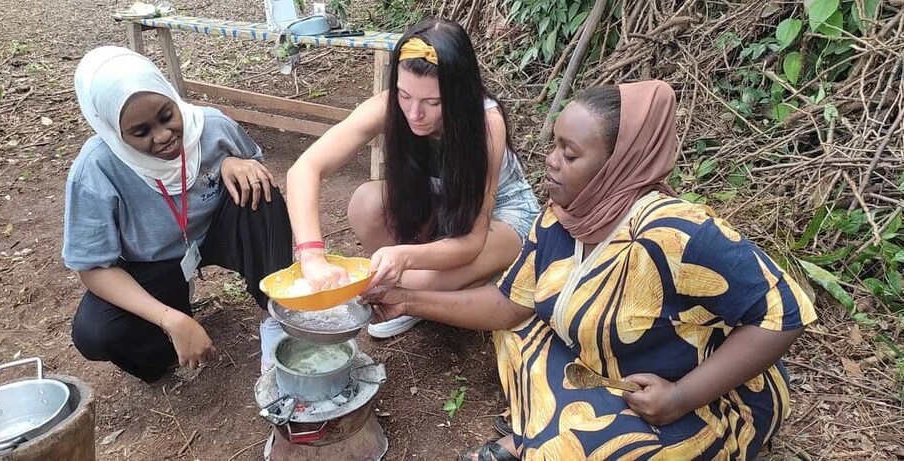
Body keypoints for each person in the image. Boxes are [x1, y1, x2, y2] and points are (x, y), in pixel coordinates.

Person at [364, 80, 817, 460]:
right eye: (554, 146)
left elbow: (784, 313)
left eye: (570, 153)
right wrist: (406, 300)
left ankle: (539, 439)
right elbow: (508, 306)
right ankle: (539, 434)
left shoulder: (677, 231)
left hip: (699, 396)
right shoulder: (561, 217)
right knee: (515, 334)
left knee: (578, 452)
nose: (551, 160)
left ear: (618, 165)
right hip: (607, 366)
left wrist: (681, 397)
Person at [285, 18, 540, 338]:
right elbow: (305, 168)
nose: (414, 113)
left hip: (500, 217)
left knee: (419, 279)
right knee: (365, 203)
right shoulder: (389, 105)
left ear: (459, 94)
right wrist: (311, 255)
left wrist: (404, 256)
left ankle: (426, 293)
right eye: (405, 95)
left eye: (432, 102)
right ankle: (435, 284)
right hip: (441, 205)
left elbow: (472, 242)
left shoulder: (487, 124)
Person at [64, 46, 292, 383]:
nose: (163, 136)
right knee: (96, 332)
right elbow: (94, 268)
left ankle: (274, 316)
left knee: (260, 188)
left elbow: (254, 167)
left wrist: (232, 162)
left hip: (215, 232)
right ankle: (167, 342)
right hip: (151, 263)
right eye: (140, 132)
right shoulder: (95, 169)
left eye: (167, 115)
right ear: (112, 129)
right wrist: (170, 320)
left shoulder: (211, 126)